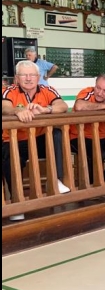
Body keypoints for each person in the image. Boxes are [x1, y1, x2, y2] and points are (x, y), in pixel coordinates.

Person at [2, 61, 70, 220]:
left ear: (38, 77)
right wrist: (17, 110)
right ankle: (17, 201)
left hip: (39, 138)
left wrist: (47, 109)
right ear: (17, 78)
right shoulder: (9, 90)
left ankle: (55, 180)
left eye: (32, 75)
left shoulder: (47, 89)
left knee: (56, 134)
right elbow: (4, 107)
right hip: (14, 140)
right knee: (8, 156)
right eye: (24, 75)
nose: (28, 78)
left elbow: (62, 105)